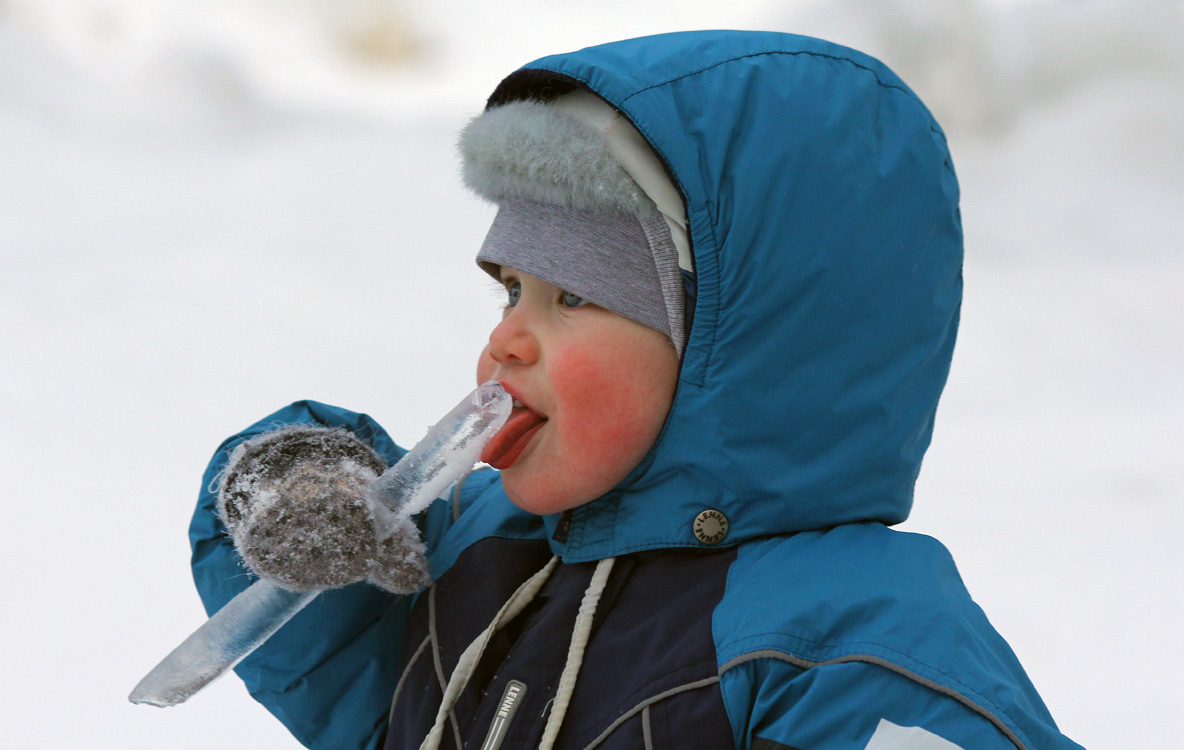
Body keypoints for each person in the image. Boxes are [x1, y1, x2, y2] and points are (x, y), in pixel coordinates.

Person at [189, 31, 1084, 750]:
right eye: (511, 288)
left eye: (572, 296)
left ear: (730, 347)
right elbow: (328, 638)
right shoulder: (480, 551)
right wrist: (294, 483)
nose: (506, 337)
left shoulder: (848, 653)